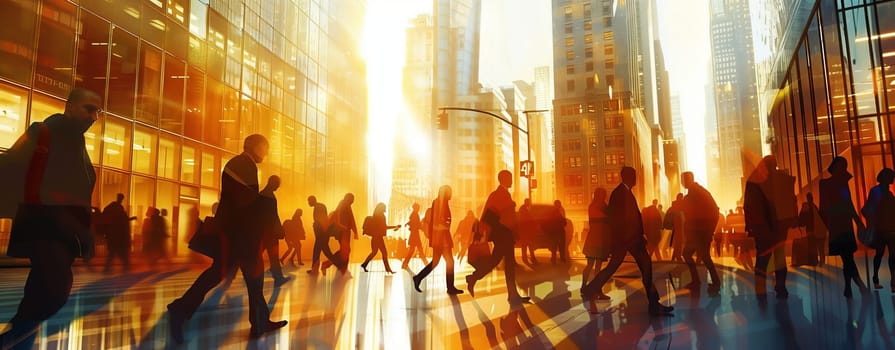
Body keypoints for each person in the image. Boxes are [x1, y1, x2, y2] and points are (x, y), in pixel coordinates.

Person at [0, 88, 100, 348]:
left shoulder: (78, 142)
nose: (94, 116)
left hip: (65, 228)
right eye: (88, 109)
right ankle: (14, 338)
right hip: (43, 222)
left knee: (41, 290)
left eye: (97, 111)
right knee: (55, 288)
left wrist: (85, 232)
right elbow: (11, 166)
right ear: (69, 107)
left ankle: (19, 340)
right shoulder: (44, 132)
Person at [167, 134, 287, 343]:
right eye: (264, 147)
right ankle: (180, 308)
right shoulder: (242, 164)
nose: (266, 153)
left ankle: (259, 321)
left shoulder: (243, 164)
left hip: (238, 234)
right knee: (241, 277)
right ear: (255, 146)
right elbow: (245, 202)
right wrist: (266, 205)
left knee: (231, 276)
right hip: (239, 235)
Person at [580, 167, 674, 316]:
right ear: (627, 177)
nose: (635, 178)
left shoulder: (625, 192)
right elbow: (618, 219)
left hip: (630, 240)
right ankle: (590, 290)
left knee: (642, 267)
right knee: (638, 267)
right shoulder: (619, 194)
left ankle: (654, 304)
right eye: (633, 175)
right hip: (627, 240)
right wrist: (632, 236)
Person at [466, 170, 530, 304]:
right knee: (499, 262)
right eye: (510, 178)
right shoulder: (500, 194)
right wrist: (508, 230)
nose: (512, 180)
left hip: (504, 234)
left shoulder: (501, 194)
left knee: (505, 264)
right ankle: (473, 278)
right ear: (504, 179)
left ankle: (512, 295)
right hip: (502, 234)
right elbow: (495, 216)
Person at [744, 155, 795, 300]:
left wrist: (750, 227)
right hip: (780, 226)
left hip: (762, 227)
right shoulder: (784, 180)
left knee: (762, 259)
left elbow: (749, 207)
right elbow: (791, 200)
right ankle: (781, 287)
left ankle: (761, 290)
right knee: (779, 258)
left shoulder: (754, 182)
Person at [820, 156, 868, 298]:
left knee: (847, 257)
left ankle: (851, 287)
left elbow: (848, 203)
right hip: (838, 224)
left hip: (840, 224)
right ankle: (855, 286)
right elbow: (844, 204)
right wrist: (857, 221)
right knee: (847, 257)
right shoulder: (830, 183)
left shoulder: (832, 183)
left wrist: (857, 221)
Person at [413, 186, 464, 295]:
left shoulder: (441, 202)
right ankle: (450, 287)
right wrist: (444, 227)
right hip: (441, 239)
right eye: (449, 192)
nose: (451, 194)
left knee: (437, 262)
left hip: (441, 238)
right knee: (448, 262)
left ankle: (418, 278)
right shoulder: (439, 203)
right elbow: (436, 223)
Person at [681, 171, 722, 295]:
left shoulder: (696, 193)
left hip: (699, 232)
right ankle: (708, 281)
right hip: (699, 231)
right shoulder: (698, 192)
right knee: (702, 256)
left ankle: (703, 280)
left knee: (693, 255)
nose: (682, 183)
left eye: (683, 180)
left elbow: (714, 211)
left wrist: (708, 230)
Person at [862, 168, 895, 290]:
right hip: (886, 228)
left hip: (883, 228)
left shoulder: (878, 191)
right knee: (889, 256)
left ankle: (877, 279)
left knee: (881, 255)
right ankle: (890, 282)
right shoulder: (884, 193)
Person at [257, 175, 291, 286]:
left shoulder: (262, 194)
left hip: (263, 231)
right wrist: (279, 228)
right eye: (277, 185)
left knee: (259, 253)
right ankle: (278, 278)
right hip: (270, 232)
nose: (277, 187)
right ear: (273, 183)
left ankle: (277, 277)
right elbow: (273, 215)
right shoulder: (269, 197)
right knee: (273, 256)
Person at [582, 188, 612, 312]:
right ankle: (584, 287)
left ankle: (597, 289)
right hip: (595, 238)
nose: (602, 196)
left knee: (598, 267)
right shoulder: (594, 207)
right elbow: (598, 219)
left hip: (600, 238)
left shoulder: (603, 206)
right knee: (590, 265)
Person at [321, 193, 358, 274]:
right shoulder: (343, 203)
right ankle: (327, 264)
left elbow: (350, 219)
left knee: (345, 250)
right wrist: (341, 225)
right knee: (345, 250)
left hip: (345, 231)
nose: (353, 201)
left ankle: (342, 267)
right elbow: (338, 214)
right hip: (343, 231)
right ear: (348, 198)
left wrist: (354, 231)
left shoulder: (346, 205)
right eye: (352, 199)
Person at [361, 203, 401, 273]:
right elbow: (384, 227)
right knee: (384, 253)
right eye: (384, 207)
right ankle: (388, 269)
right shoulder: (382, 216)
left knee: (374, 252)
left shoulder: (376, 216)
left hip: (374, 237)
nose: (385, 208)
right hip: (378, 238)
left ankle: (364, 264)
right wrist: (395, 226)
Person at [102, 193, 136, 272]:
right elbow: (123, 220)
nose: (121, 200)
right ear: (120, 198)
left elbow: (121, 220)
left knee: (114, 252)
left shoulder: (111, 207)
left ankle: (108, 268)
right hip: (118, 235)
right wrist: (131, 219)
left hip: (112, 234)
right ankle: (126, 267)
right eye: (121, 198)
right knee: (119, 252)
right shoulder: (118, 208)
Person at [307, 195, 340, 274]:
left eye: (309, 201)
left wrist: (322, 230)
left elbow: (322, 220)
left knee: (321, 251)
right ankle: (338, 264)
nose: (308, 203)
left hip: (321, 234)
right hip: (321, 233)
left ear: (312, 200)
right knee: (322, 251)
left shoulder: (318, 207)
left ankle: (315, 269)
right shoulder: (319, 206)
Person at [798, 192, 827, 266]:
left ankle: (816, 260)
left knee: (814, 246)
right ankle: (819, 260)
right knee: (818, 246)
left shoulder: (808, 207)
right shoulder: (814, 207)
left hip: (811, 230)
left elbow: (802, 217)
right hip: (814, 229)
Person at [401, 203, 429, 268]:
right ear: (415, 208)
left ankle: (405, 263)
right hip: (415, 235)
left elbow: (412, 222)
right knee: (419, 249)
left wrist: (408, 224)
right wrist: (423, 228)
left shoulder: (413, 214)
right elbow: (417, 224)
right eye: (418, 208)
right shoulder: (415, 215)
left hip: (413, 234)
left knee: (412, 250)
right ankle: (426, 263)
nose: (419, 209)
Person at [667, 193, 686, 262]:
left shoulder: (674, 204)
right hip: (679, 224)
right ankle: (677, 257)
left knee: (678, 241)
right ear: (680, 197)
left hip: (676, 225)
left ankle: (675, 257)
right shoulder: (680, 204)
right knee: (679, 241)